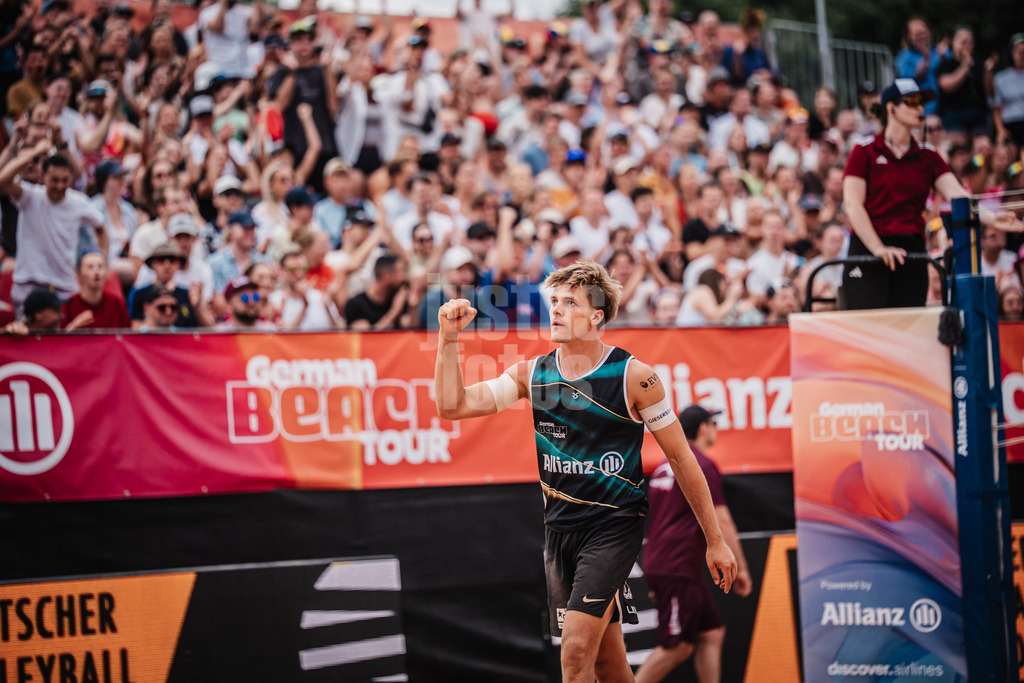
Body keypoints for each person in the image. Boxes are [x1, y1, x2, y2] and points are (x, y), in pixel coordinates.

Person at [434, 261, 737, 683]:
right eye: (554, 301)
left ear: (597, 316)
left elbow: (683, 459)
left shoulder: (634, 377)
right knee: (608, 665)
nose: (556, 310)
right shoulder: (532, 374)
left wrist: (716, 541)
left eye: (570, 302)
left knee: (575, 656)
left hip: (613, 528)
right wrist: (448, 339)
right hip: (560, 531)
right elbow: (453, 406)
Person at [843, 79, 1023, 309]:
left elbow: (958, 195)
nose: (920, 108)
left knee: (909, 326)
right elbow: (853, 205)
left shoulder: (928, 155)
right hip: (867, 250)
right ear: (891, 108)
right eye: (912, 102)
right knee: (867, 326)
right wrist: (878, 248)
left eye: (922, 102)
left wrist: (992, 217)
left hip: (911, 250)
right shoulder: (864, 150)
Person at [635, 405, 751, 683]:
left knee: (712, 632)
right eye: (714, 423)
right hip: (677, 565)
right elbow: (722, 520)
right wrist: (742, 568)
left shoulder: (664, 466)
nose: (716, 429)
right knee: (676, 647)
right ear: (702, 427)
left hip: (666, 562)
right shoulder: (701, 464)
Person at [0, 147, 106, 316]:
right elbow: (3, 181)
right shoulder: (30, 196)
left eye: (65, 180)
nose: (60, 186)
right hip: (29, 285)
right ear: (42, 177)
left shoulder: (78, 202)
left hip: (63, 288)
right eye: (54, 180)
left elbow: (101, 228)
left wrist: (102, 259)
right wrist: (35, 152)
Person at [62, 251, 131, 330]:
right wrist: (74, 326)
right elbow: (60, 335)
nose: (96, 272)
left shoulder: (117, 304)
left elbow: (128, 333)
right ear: (79, 274)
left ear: (107, 272)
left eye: (100, 266)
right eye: (90, 267)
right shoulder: (68, 305)